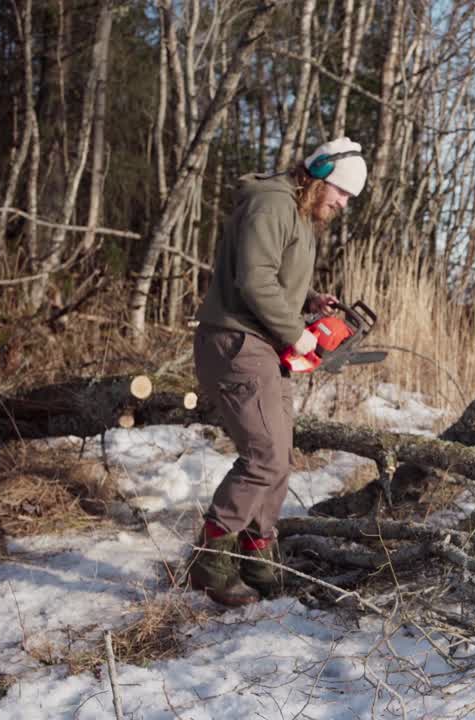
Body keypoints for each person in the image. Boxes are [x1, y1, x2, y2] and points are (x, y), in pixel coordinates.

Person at [188, 137, 367, 606]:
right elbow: (253, 279)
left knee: (281, 457)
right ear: (320, 175)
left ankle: (257, 554)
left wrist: (308, 302)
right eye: (342, 193)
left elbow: (271, 274)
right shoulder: (271, 204)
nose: (343, 204)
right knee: (264, 456)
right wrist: (297, 333)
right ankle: (210, 556)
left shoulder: (294, 212)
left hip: (261, 343)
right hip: (237, 343)